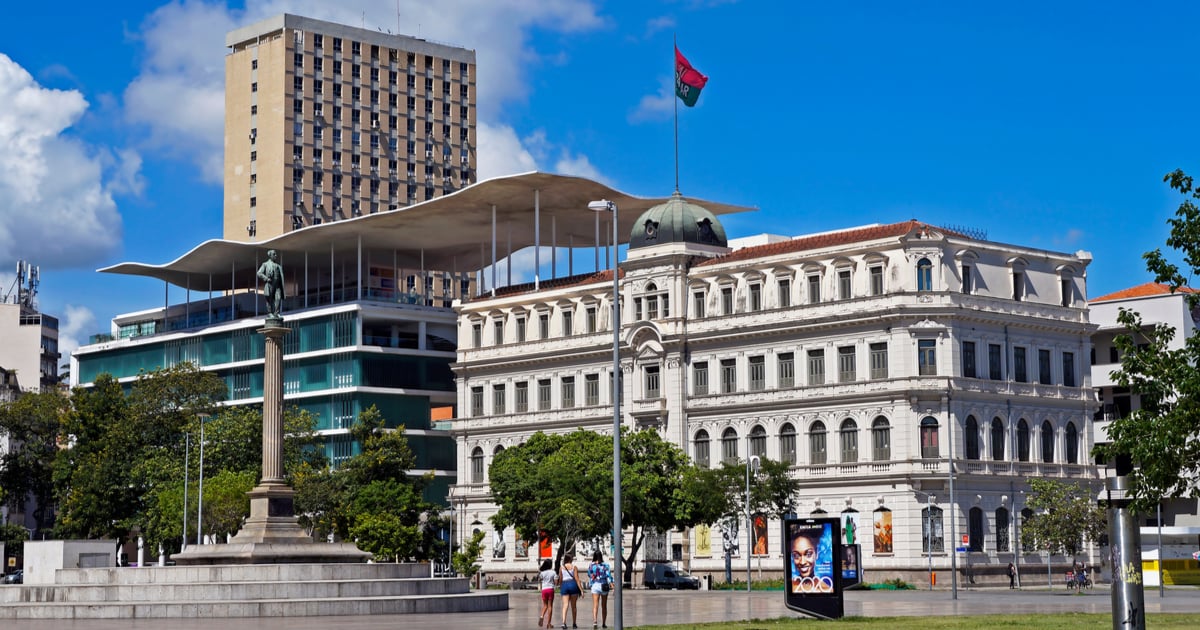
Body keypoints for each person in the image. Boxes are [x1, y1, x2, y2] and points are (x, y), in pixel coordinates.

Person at [256, 249, 285, 319]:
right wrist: (266, 278)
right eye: (274, 254)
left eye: (275, 254)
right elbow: (259, 273)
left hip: (277, 285)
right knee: (269, 299)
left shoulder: (278, 266)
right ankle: (270, 313)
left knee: (278, 298)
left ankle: (276, 313)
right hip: (270, 284)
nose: (276, 255)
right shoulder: (265, 264)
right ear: (270, 255)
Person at [587, 551, 611, 629]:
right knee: (604, 605)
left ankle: (595, 621)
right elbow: (608, 576)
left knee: (595, 605)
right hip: (604, 585)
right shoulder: (606, 565)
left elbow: (589, 575)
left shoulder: (591, 565)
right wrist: (611, 583)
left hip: (595, 585)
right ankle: (604, 623)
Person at [559, 553, 582, 629]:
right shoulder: (574, 567)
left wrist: (561, 587)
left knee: (565, 605)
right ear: (570, 559)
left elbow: (561, 579)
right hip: (573, 584)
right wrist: (581, 590)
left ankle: (563, 623)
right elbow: (577, 579)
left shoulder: (561, 568)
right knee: (573, 606)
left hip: (565, 585)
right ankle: (574, 623)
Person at [537, 560, 556, 628]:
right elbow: (556, 581)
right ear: (550, 565)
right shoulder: (553, 572)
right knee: (550, 606)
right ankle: (549, 623)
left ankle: (542, 616)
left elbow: (539, 580)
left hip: (544, 590)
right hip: (550, 589)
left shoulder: (542, 573)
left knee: (545, 605)